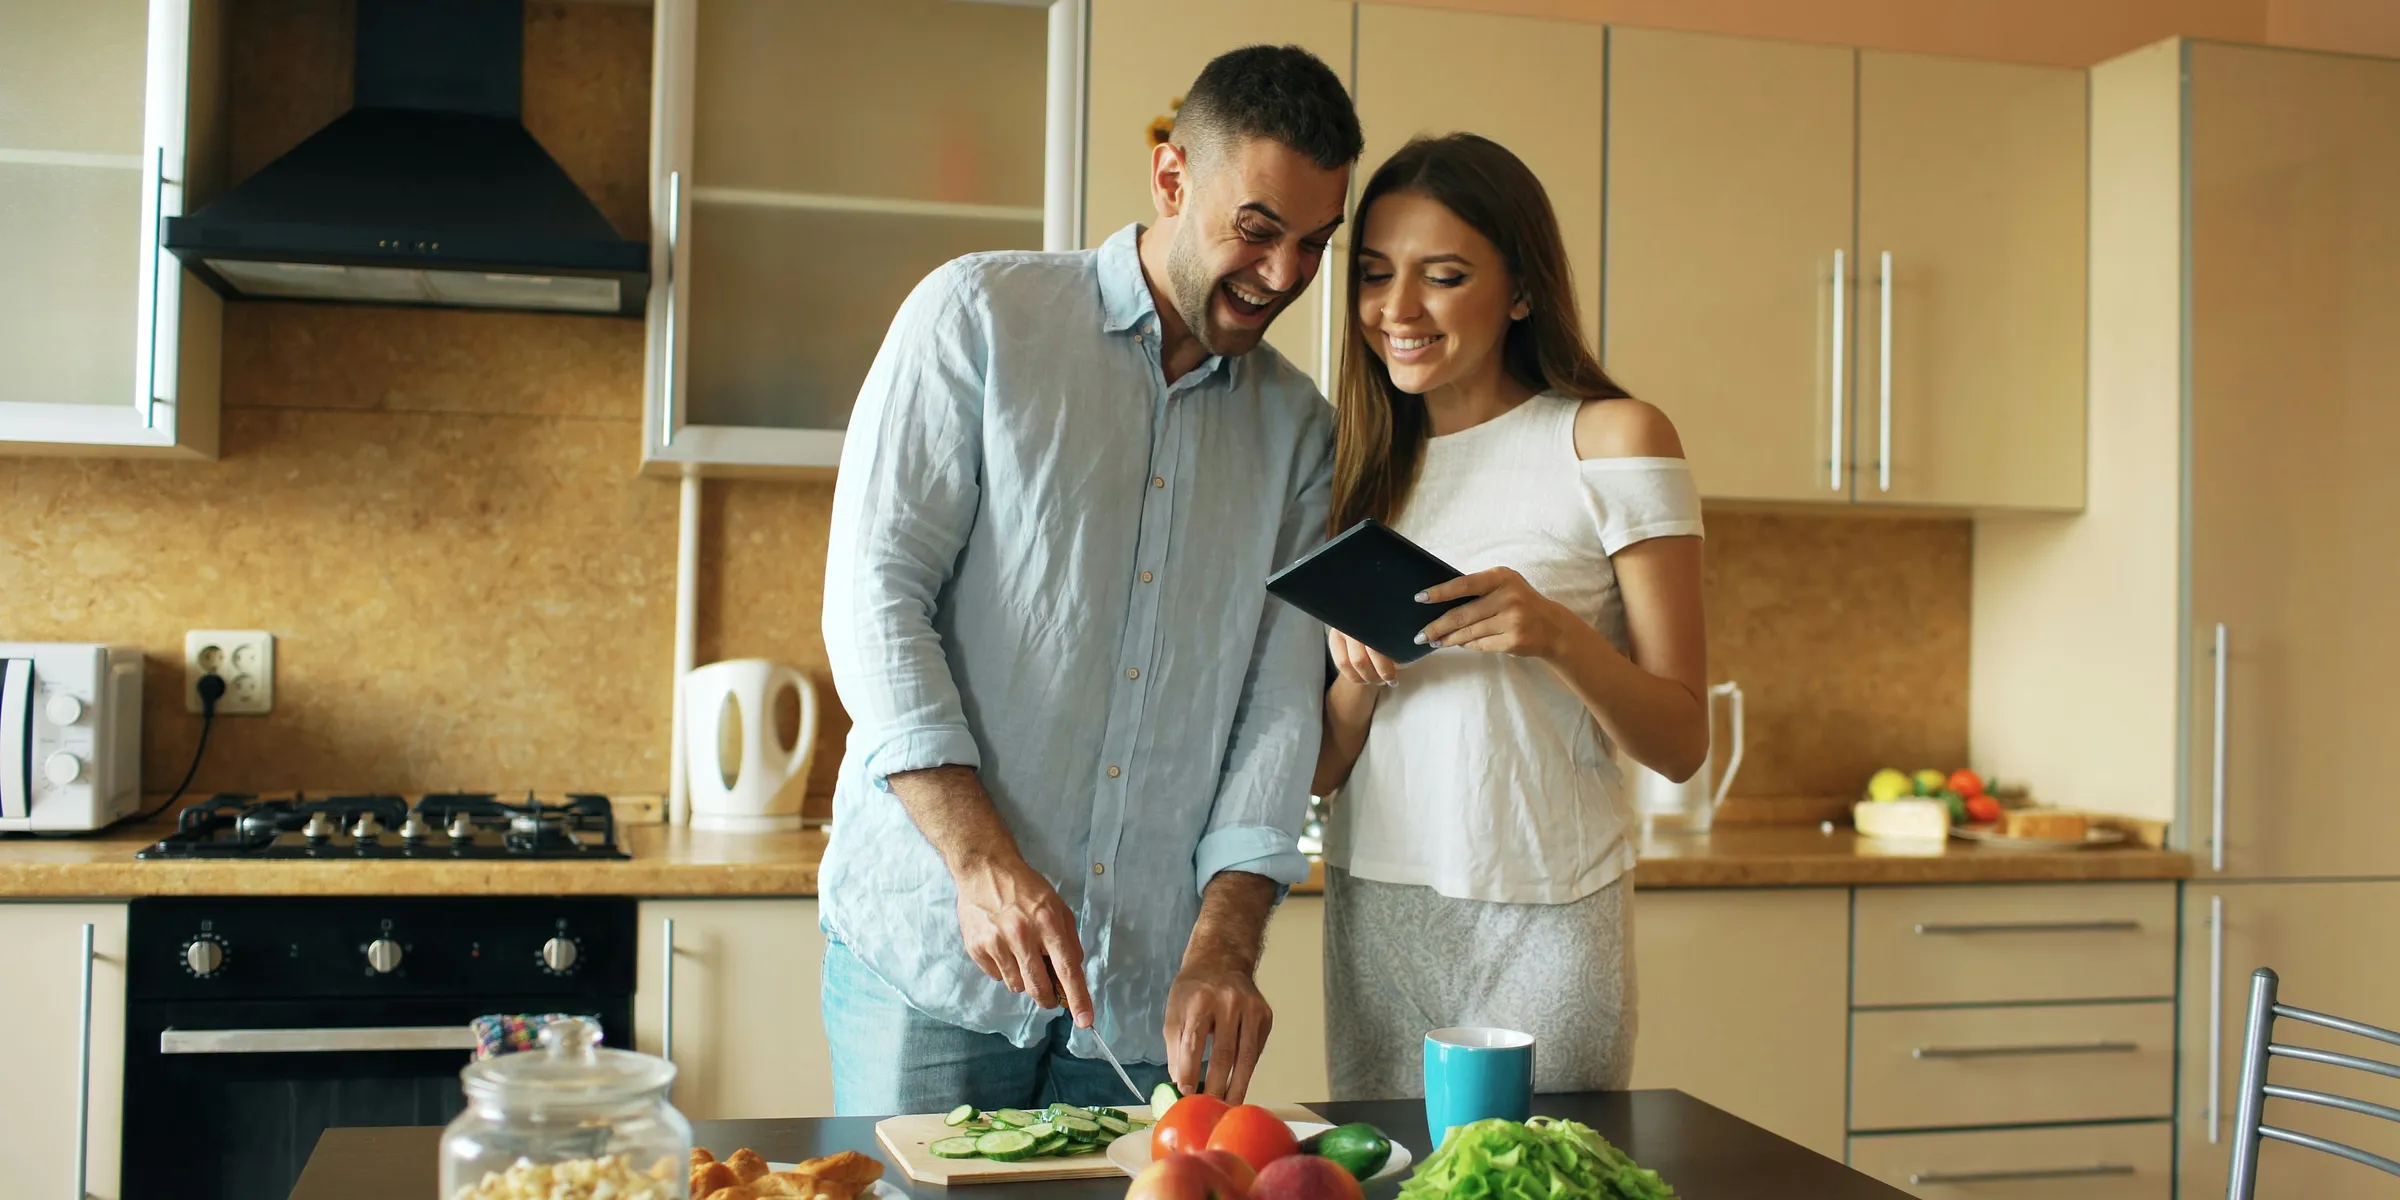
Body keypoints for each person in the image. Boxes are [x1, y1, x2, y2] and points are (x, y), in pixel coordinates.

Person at [817, 45, 1361, 1115]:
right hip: (931, 968)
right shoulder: (977, 319)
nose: (1287, 274)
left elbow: (1277, 709)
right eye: (1258, 229)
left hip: (1145, 1000)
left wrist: (1223, 948)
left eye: (1315, 243)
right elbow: (876, 602)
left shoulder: (1300, 431)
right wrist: (979, 865)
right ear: (1171, 178)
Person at [1312, 134, 1711, 1100]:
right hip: (1379, 911)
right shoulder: (1354, 468)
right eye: (1374, 275)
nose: (1397, 310)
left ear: (1521, 289)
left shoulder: (1613, 439)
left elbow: (1682, 740)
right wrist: (1359, 685)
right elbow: (1319, 769)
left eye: (1441, 276)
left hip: (1552, 910)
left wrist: (1556, 636)